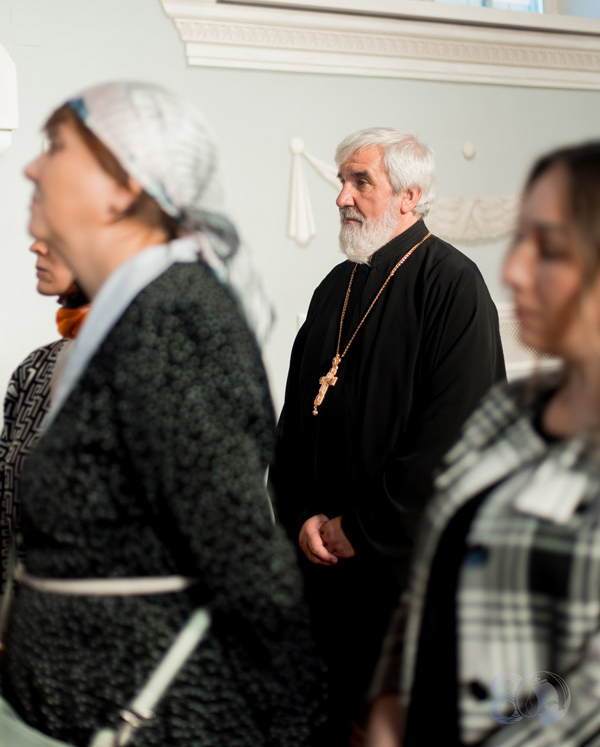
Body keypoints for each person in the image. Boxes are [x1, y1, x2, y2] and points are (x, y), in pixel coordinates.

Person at [0, 82, 323, 747]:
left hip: (151, 719)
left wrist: (294, 728)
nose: (31, 167)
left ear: (125, 187)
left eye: (54, 147)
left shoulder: (175, 318)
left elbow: (248, 563)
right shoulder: (132, 315)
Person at [270, 127, 505, 744]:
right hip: (321, 567)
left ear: (410, 196)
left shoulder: (452, 286)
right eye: (342, 182)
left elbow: (454, 438)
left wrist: (360, 527)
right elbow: (295, 419)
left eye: (360, 182)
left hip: (400, 574)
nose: (342, 197)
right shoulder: (334, 288)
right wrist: (301, 514)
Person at [368, 140, 600, 747]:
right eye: (519, 239)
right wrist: (389, 709)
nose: (512, 270)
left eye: (549, 249)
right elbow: (429, 576)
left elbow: (584, 702)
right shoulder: (507, 411)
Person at [0, 240, 89, 597]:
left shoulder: (153, 364)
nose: (36, 246)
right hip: (25, 612)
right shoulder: (35, 368)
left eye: (55, 234)